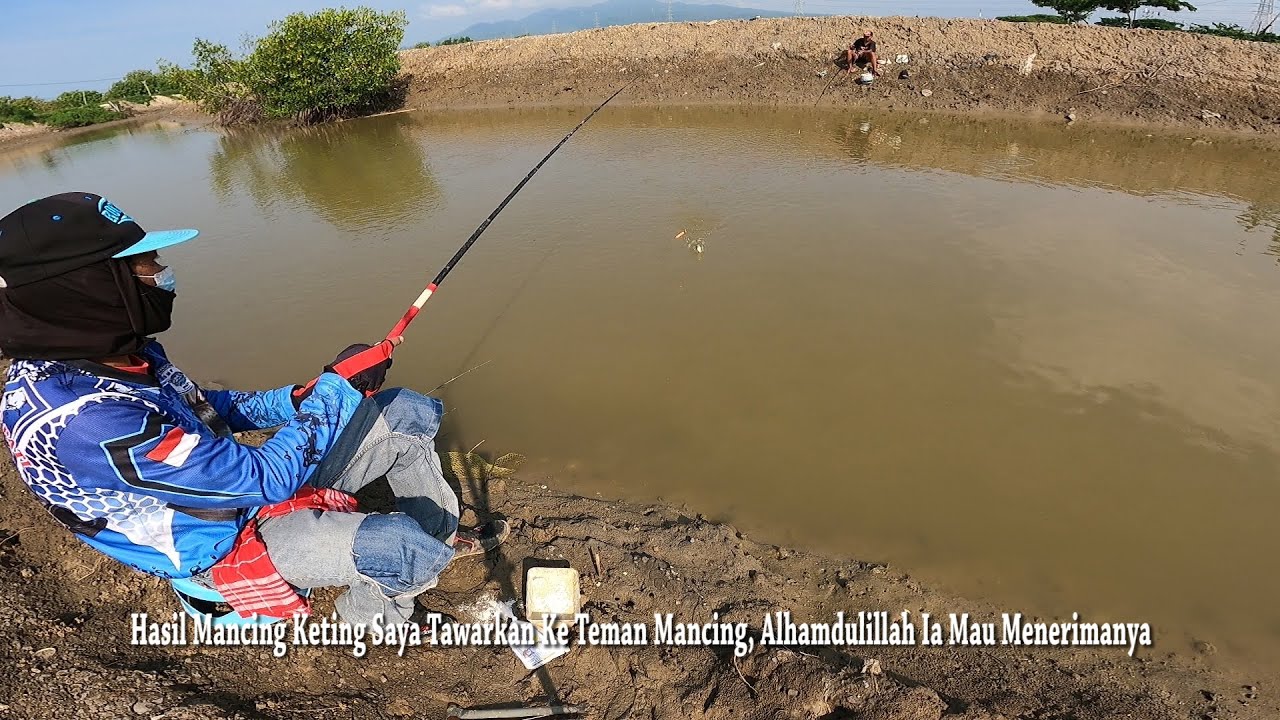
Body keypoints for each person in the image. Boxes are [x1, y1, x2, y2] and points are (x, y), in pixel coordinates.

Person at [0, 192, 509, 626]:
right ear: (89, 287)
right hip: (218, 538)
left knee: (407, 412)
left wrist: (298, 399)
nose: (161, 272)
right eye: (146, 263)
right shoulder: (85, 420)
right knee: (397, 546)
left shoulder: (119, 352)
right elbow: (266, 479)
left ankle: (438, 537)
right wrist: (337, 389)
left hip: (231, 488)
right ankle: (372, 619)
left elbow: (205, 407)